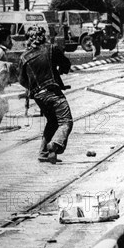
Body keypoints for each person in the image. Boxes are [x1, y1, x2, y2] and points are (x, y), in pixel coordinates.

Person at [18, 26, 73, 164]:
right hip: (52, 92)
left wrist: (35, 88)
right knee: (66, 121)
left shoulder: (24, 57)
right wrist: (60, 73)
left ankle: (43, 153)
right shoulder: (51, 49)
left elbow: (22, 80)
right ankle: (54, 145)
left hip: (38, 96)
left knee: (53, 121)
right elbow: (66, 64)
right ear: (43, 36)